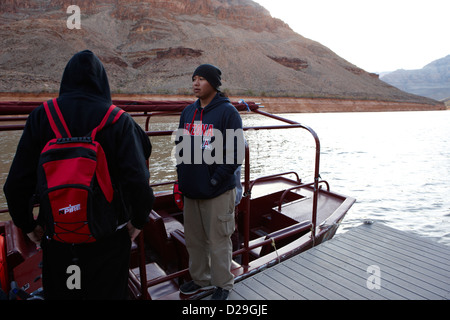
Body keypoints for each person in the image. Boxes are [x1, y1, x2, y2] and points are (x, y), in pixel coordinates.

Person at [3, 50, 154, 299]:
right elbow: (139, 184)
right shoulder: (119, 120)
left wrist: (28, 226)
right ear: (103, 82)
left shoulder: (42, 116)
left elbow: (16, 185)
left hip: (59, 239)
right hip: (109, 240)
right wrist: (137, 222)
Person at [175, 64, 244, 300]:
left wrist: (215, 179)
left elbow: (235, 154)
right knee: (194, 241)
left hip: (217, 191)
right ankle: (201, 280)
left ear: (214, 84)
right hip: (192, 190)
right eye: (194, 78)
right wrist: (181, 179)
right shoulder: (187, 112)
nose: (196, 83)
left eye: (202, 79)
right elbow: (181, 148)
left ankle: (223, 284)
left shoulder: (228, 113)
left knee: (218, 241)